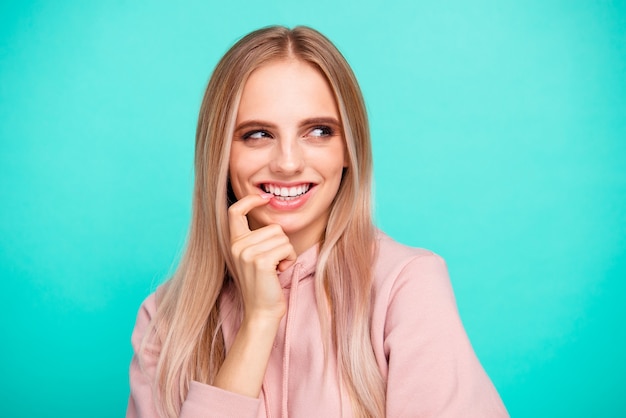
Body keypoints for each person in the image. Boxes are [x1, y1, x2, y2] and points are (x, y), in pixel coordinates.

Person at [127, 25, 508, 418]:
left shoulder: (406, 287)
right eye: (257, 134)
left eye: (318, 131)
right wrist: (258, 321)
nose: (288, 163)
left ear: (348, 149)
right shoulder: (165, 320)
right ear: (220, 155)